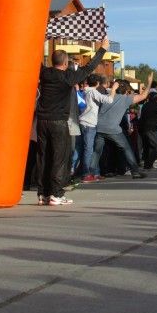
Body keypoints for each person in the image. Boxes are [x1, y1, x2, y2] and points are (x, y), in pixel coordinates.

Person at [35, 37, 110, 206]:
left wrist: (37, 41)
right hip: (58, 121)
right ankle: (56, 194)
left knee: (43, 157)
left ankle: (42, 193)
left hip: (42, 121)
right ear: (65, 63)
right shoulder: (68, 78)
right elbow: (89, 67)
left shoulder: (44, 73)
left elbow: (34, 59)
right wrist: (102, 48)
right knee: (59, 158)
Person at [89, 72, 154, 180]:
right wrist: (149, 82)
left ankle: (90, 172)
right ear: (125, 91)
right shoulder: (126, 99)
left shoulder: (106, 96)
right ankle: (135, 171)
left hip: (99, 127)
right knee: (126, 148)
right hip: (113, 129)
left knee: (97, 151)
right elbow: (143, 95)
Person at [79, 74, 117, 183]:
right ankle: (86, 174)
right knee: (88, 150)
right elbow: (109, 100)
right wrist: (113, 89)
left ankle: (93, 172)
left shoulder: (84, 91)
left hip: (85, 121)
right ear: (97, 83)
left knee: (88, 149)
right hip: (89, 123)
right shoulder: (92, 92)